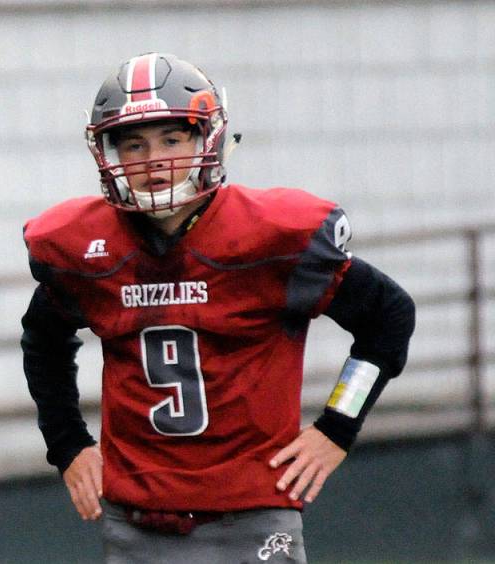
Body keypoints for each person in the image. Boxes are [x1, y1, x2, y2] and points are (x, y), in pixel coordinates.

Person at [21, 52, 415, 563]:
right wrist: (68, 442)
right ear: (109, 152)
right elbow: (43, 340)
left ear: (206, 137)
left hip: (251, 512)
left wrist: (335, 428)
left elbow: (389, 317)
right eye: (134, 144)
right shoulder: (84, 247)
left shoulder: (272, 237)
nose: (153, 160)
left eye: (171, 139)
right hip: (135, 517)